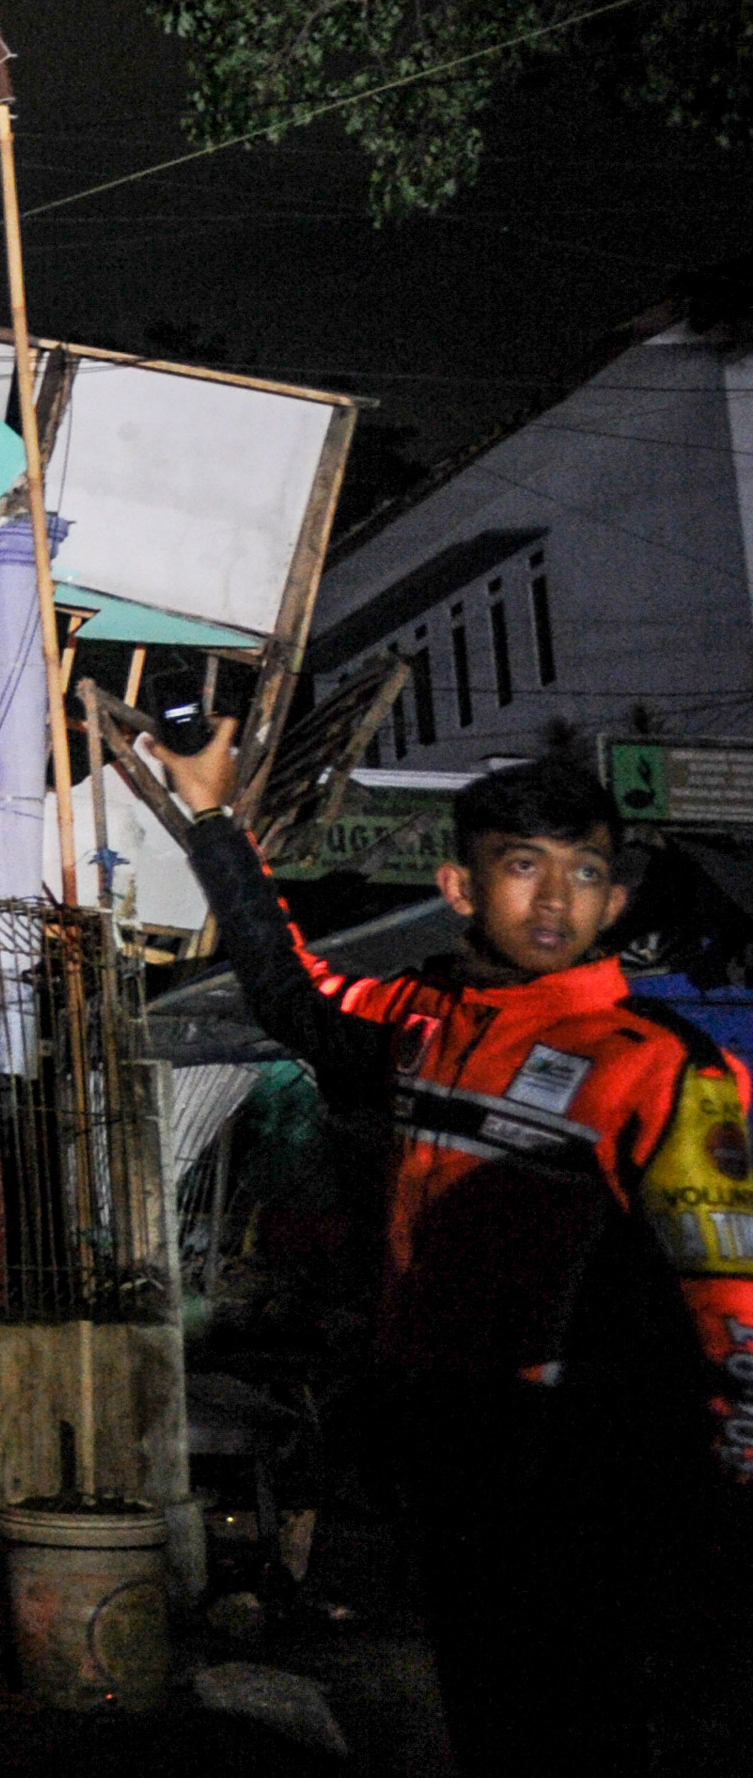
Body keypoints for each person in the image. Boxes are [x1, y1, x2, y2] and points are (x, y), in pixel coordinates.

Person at [151, 725, 751, 1771]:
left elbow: (735, 1306)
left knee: (596, 1727)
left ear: (613, 901)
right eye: (523, 867)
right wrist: (212, 823)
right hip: (447, 1459)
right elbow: (291, 994)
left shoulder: (657, 1070)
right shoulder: (423, 1026)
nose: (556, 900)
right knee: (488, 1715)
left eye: (585, 873)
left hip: (591, 1478)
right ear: (459, 887)